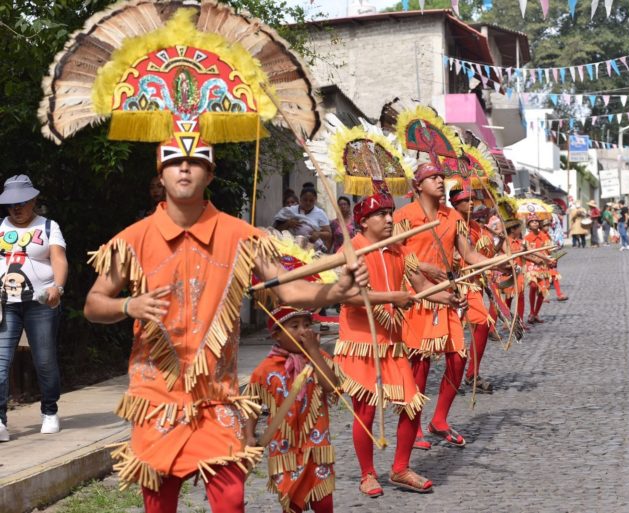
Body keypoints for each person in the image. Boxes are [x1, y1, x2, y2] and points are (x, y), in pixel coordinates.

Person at [83, 145, 368, 512]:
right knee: (158, 503)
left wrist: (336, 290)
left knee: (231, 499)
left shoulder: (241, 236)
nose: (184, 170)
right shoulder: (132, 240)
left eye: (194, 163)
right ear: (160, 173)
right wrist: (128, 305)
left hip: (217, 398)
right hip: (156, 398)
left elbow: (287, 288)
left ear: (210, 174)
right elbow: (93, 304)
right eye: (174, 162)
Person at [336, 192, 463, 497]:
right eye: (382, 215)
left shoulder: (397, 249)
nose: (391, 220)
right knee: (365, 412)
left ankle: (400, 469)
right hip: (361, 342)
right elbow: (346, 297)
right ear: (364, 222)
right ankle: (367, 474)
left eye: (391, 213)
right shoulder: (351, 250)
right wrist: (394, 298)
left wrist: (446, 296)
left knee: (411, 404)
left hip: (392, 341)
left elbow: (419, 288)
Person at [393, 162, 500, 449]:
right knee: (420, 364)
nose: (440, 181)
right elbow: (395, 254)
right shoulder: (404, 216)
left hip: (445, 297)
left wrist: (501, 261)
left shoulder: (453, 217)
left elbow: (469, 254)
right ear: (418, 186)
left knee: (458, 357)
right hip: (416, 296)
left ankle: (439, 419)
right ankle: (411, 427)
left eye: (441, 177)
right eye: (432, 177)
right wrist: (425, 266)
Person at [247, 306, 338, 513]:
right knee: (291, 502)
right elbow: (251, 403)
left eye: (307, 325)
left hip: (317, 445)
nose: (303, 331)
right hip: (284, 447)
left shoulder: (319, 358)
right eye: (294, 326)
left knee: (324, 501)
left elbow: (332, 387)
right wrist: (249, 435)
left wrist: (314, 352)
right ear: (276, 334)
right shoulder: (265, 368)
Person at [0, 175, 68, 442]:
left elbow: (59, 259)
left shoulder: (49, 226)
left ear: (33, 201)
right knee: (1, 362)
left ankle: (50, 410)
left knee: (44, 359)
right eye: (10, 204)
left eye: (22, 202)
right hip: (5, 303)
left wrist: (58, 288)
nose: (16, 208)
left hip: (40, 302)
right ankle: (0, 420)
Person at [449, 188, 495, 394]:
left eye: (472, 200)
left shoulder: (476, 227)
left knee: (484, 323)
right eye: (465, 200)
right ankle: (450, 378)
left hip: (470, 284)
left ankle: (471, 374)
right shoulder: (448, 222)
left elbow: (476, 254)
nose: (471, 203)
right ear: (454, 203)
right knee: (444, 338)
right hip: (448, 284)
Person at [523, 215, 555, 323]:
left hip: (543, 266)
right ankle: (531, 312)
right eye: (532, 222)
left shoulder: (545, 236)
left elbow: (549, 251)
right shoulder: (526, 238)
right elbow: (525, 253)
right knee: (532, 286)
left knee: (542, 290)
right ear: (528, 225)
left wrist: (551, 257)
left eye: (537, 221)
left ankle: (536, 314)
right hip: (531, 265)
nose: (535, 223)